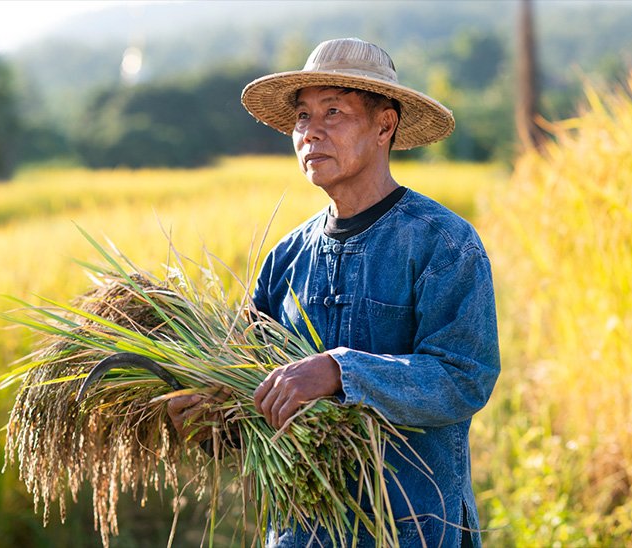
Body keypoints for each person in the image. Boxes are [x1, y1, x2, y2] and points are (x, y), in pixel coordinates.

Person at [166, 38, 500, 547]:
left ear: (384, 125)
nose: (310, 132)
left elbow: (463, 377)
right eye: (302, 116)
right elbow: (259, 396)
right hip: (303, 533)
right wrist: (210, 416)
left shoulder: (443, 243)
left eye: (334, 111)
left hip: (412, 528)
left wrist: (340, 371)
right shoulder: (286, 257)